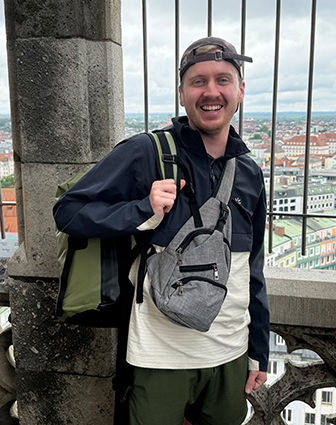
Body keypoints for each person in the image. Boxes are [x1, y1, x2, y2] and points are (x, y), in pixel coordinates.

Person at [53, 37, 270, 425]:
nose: (211, 91)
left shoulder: (250, 173)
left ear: (240, 90)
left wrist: (259, 351)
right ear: (182, 94)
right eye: (198, 81)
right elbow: (68, 212)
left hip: (231, 350)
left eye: (223, 79)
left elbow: (252, 269)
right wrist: (142, 210)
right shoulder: (146, 153)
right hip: (159, 354)